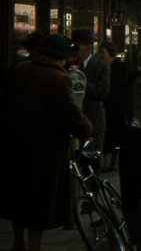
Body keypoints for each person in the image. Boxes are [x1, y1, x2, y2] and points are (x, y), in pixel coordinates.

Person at [0, 34, 92, 251]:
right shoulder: (57, 78)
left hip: (14, 146)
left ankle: (18, 241)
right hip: (44, 151)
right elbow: (70, 114)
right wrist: (87, 130)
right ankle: (34, 246)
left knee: (18, 197)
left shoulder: (19, 70)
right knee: (38, 201)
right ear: (59, 56)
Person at [71, 28, 110, 158]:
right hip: (75, 123)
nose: (76, 51)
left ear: (87, 46)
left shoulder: (101, 66)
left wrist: (81, 82)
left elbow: (103, 92)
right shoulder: (70, 64)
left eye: (78, 47)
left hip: (94, 123)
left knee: (92, 162)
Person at [98, 41, 126, 172]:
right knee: (109, 133)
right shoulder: (103, 66)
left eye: (103, 53)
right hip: (108, 105)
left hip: (115, 106)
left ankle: (109, 161)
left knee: (111, 133)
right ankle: (109, 160)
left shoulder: (118, 67)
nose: (101, 56)